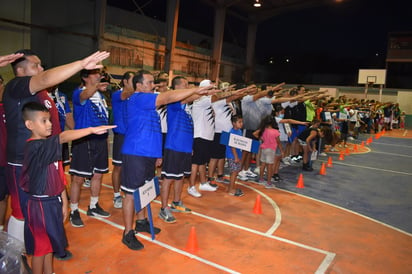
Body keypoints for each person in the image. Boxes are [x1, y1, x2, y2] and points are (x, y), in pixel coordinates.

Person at [3, 49, 109, 243]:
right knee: (22, 211)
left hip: (48, 156)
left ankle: (42, 249)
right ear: (20, 70)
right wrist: (80, 64)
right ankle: (16, 258)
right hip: (23, 161)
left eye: (41, 65)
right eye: (35, 65)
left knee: (46, 207)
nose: (41, 69)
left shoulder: (42, 94)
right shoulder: (17, 86)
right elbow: (44, 79)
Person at [121, 70, 212, 250]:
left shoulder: (148, 104)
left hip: (148, 155)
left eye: (153, 82)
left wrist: (157, 155)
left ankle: (141, 222)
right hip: (136, 153)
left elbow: (153, 132)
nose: (152, 85)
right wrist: (195, 90)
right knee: (131, 194)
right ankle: (127, 232)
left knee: (144, 190)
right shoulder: (138, 98)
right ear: (138, 85)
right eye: (149, 82)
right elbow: (167, 97)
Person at [20, 101, 114, 274]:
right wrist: (91, 129)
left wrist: (64, 201)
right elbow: (63, 136)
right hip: (41, 205)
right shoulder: (35, 147)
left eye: (49, 120)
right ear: (29, 124)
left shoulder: (47, 145)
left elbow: (58, 176)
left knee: (50, 245)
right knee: (41, 248)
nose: (49, 125)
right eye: (44, 121)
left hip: (53, 201)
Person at [69, 68, 111, 227]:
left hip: (100, 140)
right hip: (85, 139)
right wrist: (97, 86)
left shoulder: (100, 96)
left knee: (98, 175)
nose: (99, 76)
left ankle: (93, 205)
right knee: (78, 178)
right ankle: (73, 210)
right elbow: (85, 95)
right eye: (95, 74)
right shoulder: (78, 92)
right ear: (85, 78)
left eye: (99, 74)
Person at [111, 71, 135, 209]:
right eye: (133, 80)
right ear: (125, 81)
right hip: (121, 136)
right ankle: (116, 195)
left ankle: (127, 192)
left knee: (130, 166)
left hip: (132, 136)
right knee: (118, 167)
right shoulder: (117, 94)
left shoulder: (134, 97)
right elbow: (126, 94)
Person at [253, 116, 283, 188]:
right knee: (270, 166)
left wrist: (261, 139)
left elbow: (254, 133)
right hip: (271, 150)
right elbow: (278, 142)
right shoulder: (276, 132)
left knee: (263, 164)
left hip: (263, 148)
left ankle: (261, 179)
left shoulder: (263, 130)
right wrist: (282, 150)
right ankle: (269, 183)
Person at [225, 114, 245, 197]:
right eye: (239, 122)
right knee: (234, 172)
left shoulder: (239, 131)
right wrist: (236, 157)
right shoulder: (232, 132)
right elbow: (232, 146)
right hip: (232, 155)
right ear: (233, 123)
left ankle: (231, 187)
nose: (241, 124)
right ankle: (230, 190)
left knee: (236, 172)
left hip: (237, 154)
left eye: (242, 122)